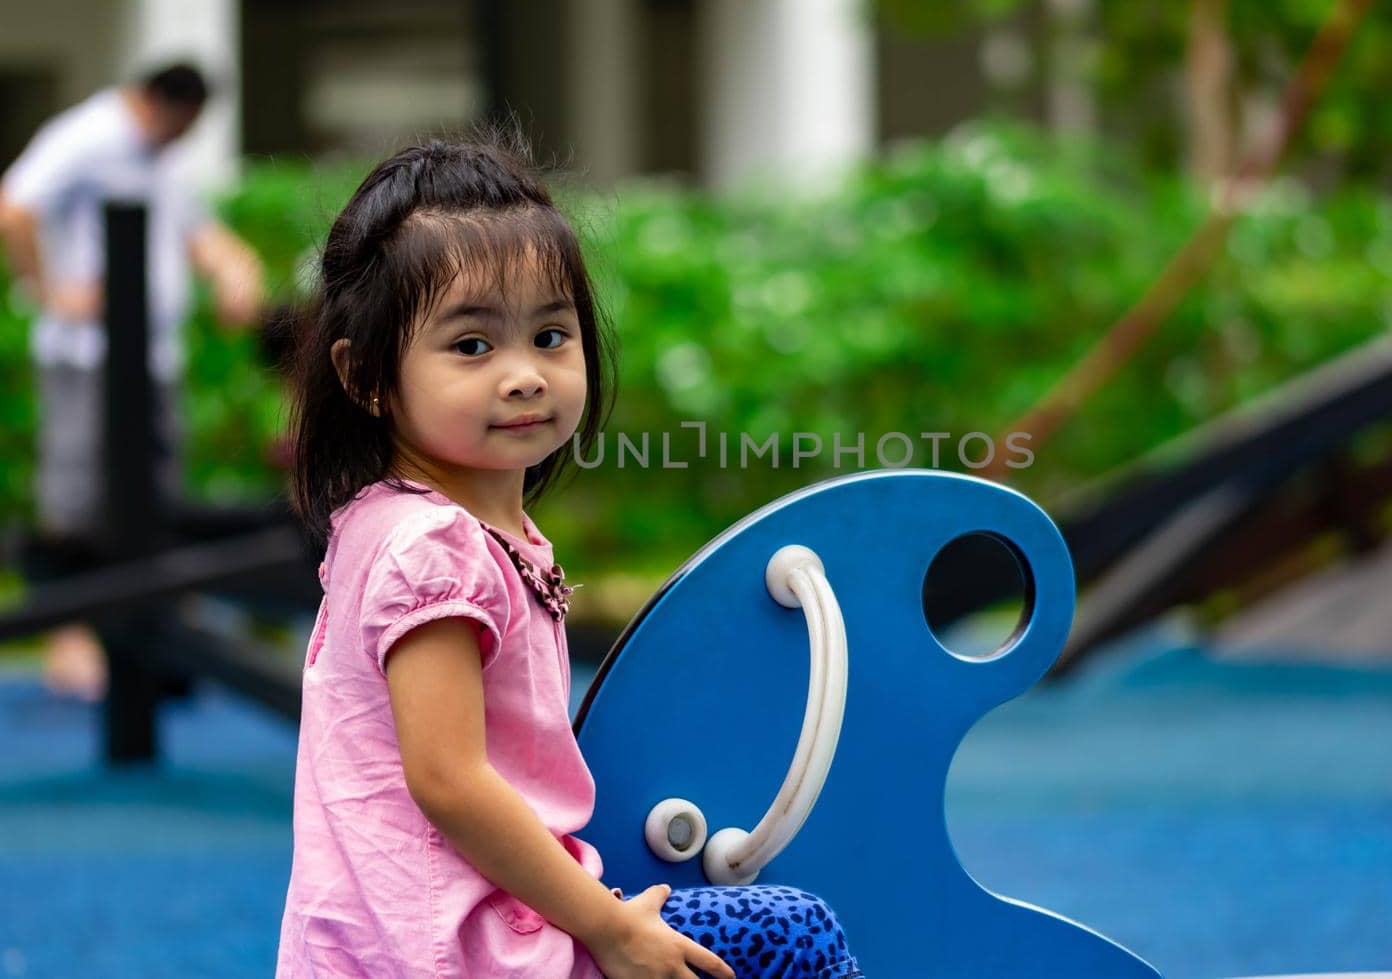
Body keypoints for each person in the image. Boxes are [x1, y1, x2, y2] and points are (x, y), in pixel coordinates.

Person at [276, 137, 865, 979]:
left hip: (410, 935)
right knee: (795, 934)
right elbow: (448, 778)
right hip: (457, 947)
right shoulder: (432, 547)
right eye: (472, 346)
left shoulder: (397, 522)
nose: (524, 375)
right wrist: (609, 926)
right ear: (365, 376)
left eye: (550, 334)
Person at [0, 61, 265, 701]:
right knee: (77, 496)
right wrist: (49, 291)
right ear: (160, 103)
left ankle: (152, 631)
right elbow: (14, 205)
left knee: (155, 495)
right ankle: (71, 640)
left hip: (154, 357)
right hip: (86, 357)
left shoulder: (157, 155)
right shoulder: (89, 136)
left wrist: (235, 265)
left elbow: (195, 231)